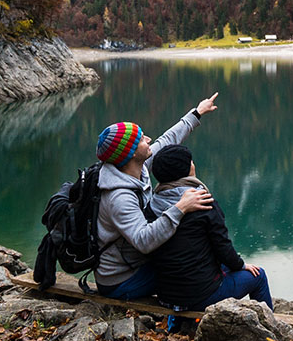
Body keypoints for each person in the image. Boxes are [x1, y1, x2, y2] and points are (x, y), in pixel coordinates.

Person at [91, 94, 220, 299]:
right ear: (132, 153)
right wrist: (181, 207)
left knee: (197, 259)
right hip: (121, 279)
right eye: (142, 139)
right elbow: (143, 240)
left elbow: (167, 140)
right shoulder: (118, 198)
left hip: (136, 262)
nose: (149, 139)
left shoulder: (136, 167)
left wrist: (197, 113)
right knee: (194, 269)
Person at [147, 144, 272, 317]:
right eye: (190, 161)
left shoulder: (153, 203)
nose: (193, 164)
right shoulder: (203, 202)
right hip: (200, 297)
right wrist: (242, 266)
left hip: (166, 296)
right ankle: (269, 326)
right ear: (186, 170)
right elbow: (223, 247)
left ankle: (177, 323)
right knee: (258, 276)